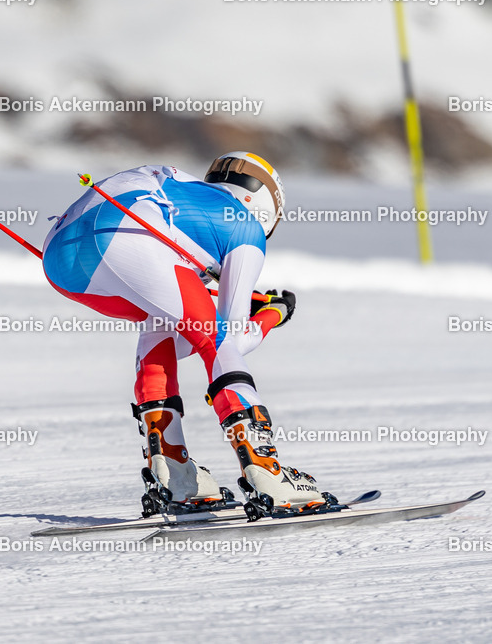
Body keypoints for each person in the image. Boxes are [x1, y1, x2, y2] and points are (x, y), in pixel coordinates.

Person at [41, 153, 330, 518]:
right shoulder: (245, 225)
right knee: (219, 344)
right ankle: (266, 472)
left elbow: (187, 333)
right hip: (127, 236)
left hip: (61, 258)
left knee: (160, 324)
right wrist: (274, 314)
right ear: (266, 204)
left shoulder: (186, 196)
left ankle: (173, 470)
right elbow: (232, 337)